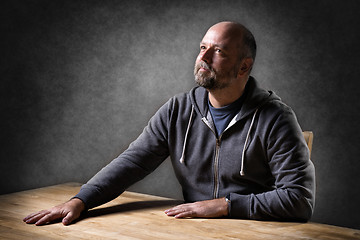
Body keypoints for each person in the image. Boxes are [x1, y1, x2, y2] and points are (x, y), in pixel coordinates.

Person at [23, 21, 316, 226]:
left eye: (219, 52)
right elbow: (132, 162)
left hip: (256, 233)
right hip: (193, 232)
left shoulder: (275, 119)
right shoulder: (178, 110)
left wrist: (226, 205)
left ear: (244, 66)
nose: (203, 57)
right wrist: (81, 201)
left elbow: (299, 200)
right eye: (203, 47)